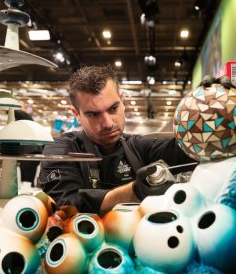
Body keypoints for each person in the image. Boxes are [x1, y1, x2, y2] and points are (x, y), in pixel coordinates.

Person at [39, 65, 196, 215]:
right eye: (93, 114)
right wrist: (134, 191)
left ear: (122, 102)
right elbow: (65, 205)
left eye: (113, 109)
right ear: (77, 115)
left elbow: (190, 148)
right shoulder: (61, 150)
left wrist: (210, 106)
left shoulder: (139, 147)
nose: (108, 124)